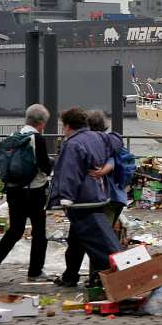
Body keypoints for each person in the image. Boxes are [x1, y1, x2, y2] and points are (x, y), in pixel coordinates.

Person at [47, 107, 122, 288]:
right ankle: (71, 276)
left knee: (94, 241)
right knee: (81, 238)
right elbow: (117, 141)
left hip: (81, 200)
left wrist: (65, 197)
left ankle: (108, 276)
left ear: (66, 125)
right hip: (99, 195)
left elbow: (69, 172)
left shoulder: (72, 144)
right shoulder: (99, 137)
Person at [0, 104, 54, 281]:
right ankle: (35, 271)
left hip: (13, 190)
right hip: (34, 192)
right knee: (39, 232)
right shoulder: (36, 139)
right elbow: (45, 167)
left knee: (16, 229)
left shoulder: (13, 137)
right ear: (41, 123)